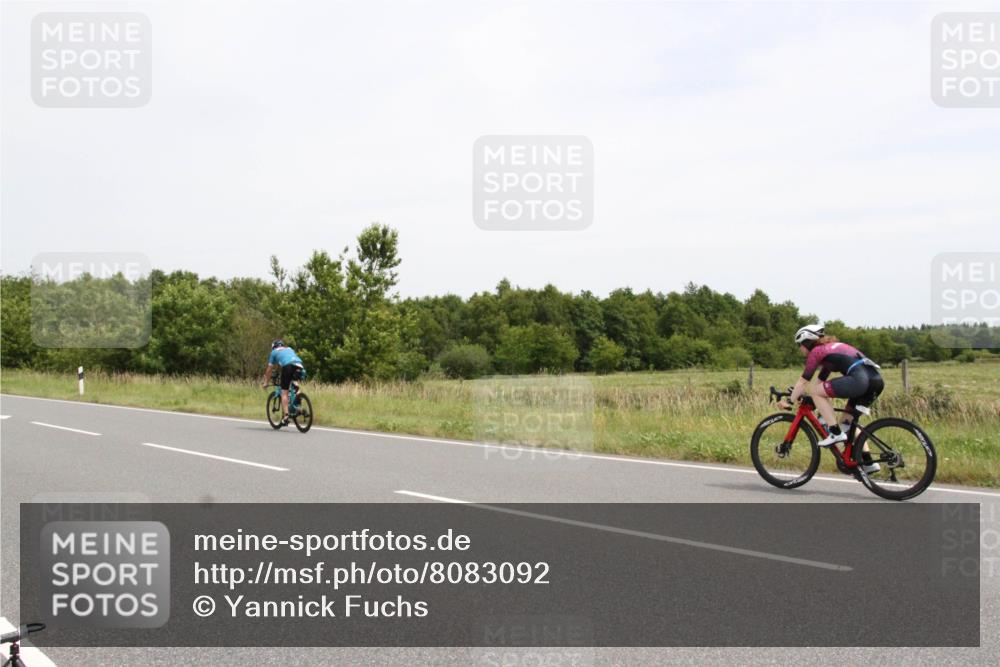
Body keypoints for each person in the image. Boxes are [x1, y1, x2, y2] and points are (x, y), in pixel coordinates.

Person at [778, 324, 884, 473]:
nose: (800, 349)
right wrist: (802, 395)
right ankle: (868, 462)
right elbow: (820, 382)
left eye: (800, 345)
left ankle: (835, 432)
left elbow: (804, 381)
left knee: (816, 393)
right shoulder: (829, 351)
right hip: (875, 381)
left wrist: (789, 401)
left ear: (807, 341)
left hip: (860, 380)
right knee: (847, 424)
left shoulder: (816, 351)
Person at [261, 339, 305, 426]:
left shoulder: (274, 352)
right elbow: (287, 360)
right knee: (294, 383)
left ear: (273, 347)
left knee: (284, 392)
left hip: (288, 366)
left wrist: (266, 382)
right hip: (299, 365)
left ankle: (286, 416)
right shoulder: (289, 348)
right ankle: (298, 401)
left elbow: (269, 370)